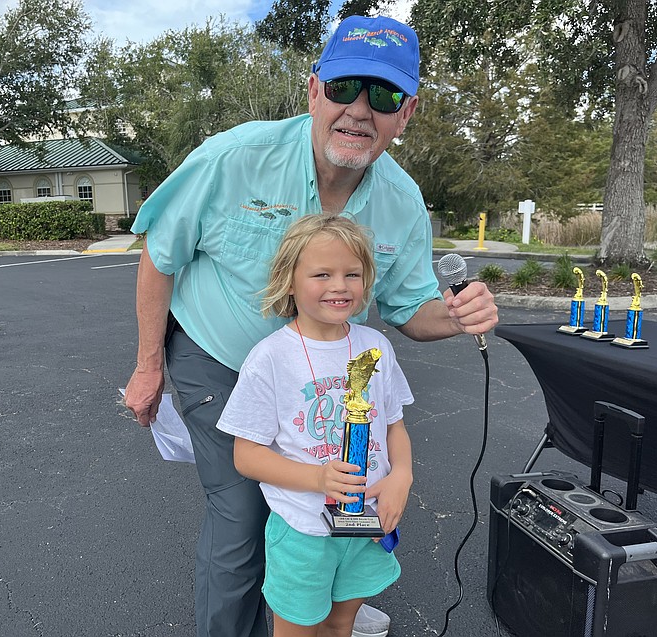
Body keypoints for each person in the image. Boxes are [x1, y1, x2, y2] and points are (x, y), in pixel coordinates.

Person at [124, 15, 498, 637]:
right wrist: (147, 366)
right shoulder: (235, 157)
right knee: (244, 512)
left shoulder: (401, 202)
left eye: (382, 96)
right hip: (218, 359)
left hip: (323, 375)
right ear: (313, 90)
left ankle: (316, 599)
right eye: (346, 86)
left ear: (405, 114)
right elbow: (160, 257)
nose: (358, 110)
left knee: (330, 490)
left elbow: (410, 310)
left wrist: (459, 316)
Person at [217, 215, 414, 636]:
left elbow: (395, 425)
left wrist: (402, 476)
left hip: (368, 522)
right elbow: (246, 456)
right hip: (304, 529)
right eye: (322, 274)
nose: (339, 286)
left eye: (352, 274)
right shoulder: (270, 358)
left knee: (341, 624)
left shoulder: (375, 347)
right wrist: (318, 477)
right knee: (299, 629)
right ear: (289, 280)